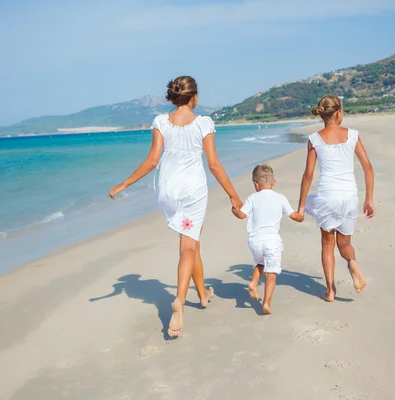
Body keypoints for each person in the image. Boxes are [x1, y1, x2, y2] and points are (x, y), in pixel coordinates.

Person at [109, 76, 243, 337]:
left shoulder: (161, 122)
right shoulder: (204, 123)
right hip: (192, 192)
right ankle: (180, 301)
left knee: (192, 241)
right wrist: (233, 195)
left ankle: (203, 294)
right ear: (194, 97)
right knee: (188, 246)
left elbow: (152, 161)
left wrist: (125, 183)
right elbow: (214, 165)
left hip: (168, 191)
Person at [297, 95, 375, 302]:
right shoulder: (352, 135)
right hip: (349, 196)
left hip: (327, 196)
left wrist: (301, 206)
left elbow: (308, 175)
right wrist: (369, 199)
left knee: (327, 243)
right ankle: (351, 262)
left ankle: (330, 290)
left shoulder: (315, 139)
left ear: (322, 114)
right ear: (339, 112)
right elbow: (368, 168)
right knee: (345, 242)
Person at [232, 164, 304, 314]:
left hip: (255, 241)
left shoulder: (252, 198)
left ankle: (253, 283)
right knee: (271, 273)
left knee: (260, 262)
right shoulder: (280, 198)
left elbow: (241, 215)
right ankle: (266, 303)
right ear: (274, 182)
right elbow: (294, 216)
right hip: (272, 241)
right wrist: (301, 215)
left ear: (255, 184)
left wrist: (234, 209)